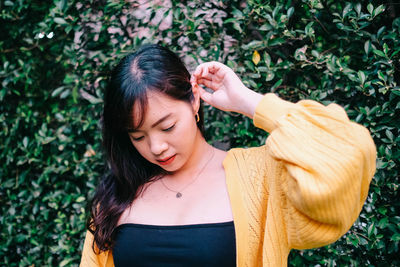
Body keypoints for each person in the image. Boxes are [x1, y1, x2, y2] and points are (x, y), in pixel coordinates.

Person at [80, 44, 376, 267]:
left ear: (194, 100)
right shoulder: (118, 194)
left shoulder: (260, 177)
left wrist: (249, 102)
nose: (156, 147)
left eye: (167, 126)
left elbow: (349, 150)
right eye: (138, 136)